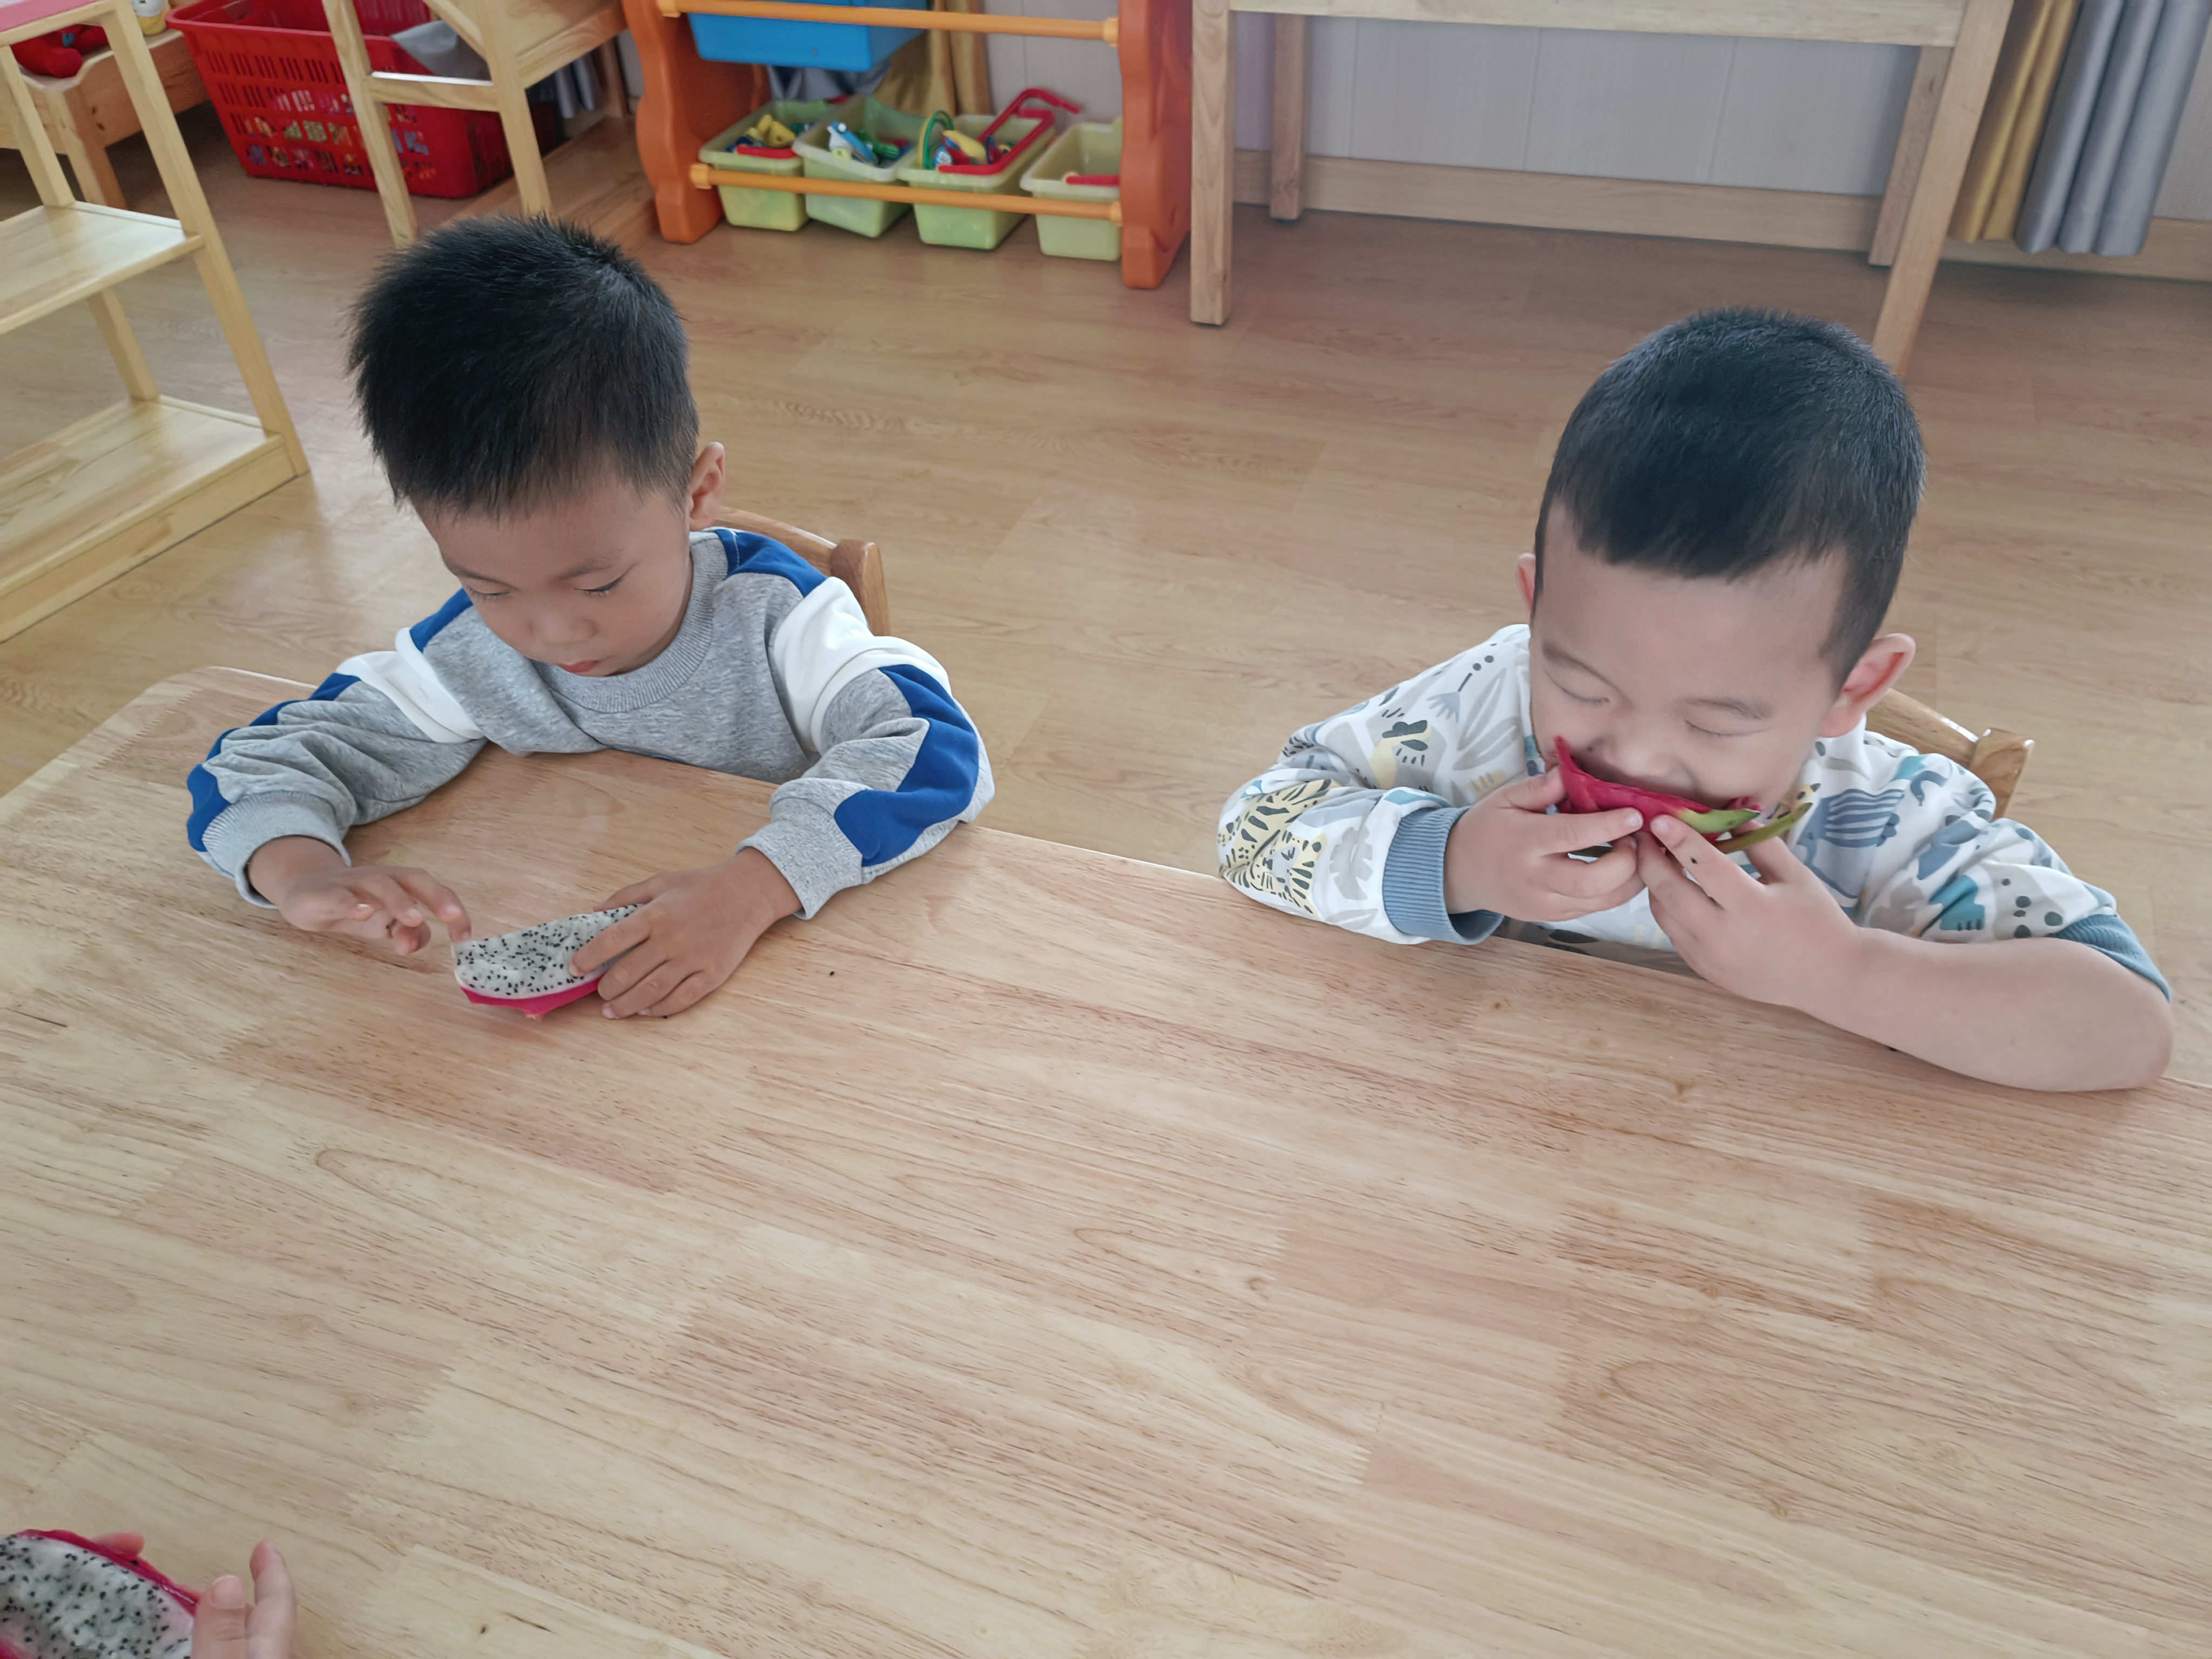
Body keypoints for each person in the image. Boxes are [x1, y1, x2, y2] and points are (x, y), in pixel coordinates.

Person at [1217, 308, 2170, 1091]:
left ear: (1852, 690)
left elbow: (2129, 1028)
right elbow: (1251, 831)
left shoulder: (1885, 819)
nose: (1635, 756)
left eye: (1716, 721)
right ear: (1536, 611)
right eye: (1581, 684)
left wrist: (1842, 972)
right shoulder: (1479, 710)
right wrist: (1454, 860)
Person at [186, 218, 990, 1019]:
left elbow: (937, 750)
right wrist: (299, 870)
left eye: (599, 584)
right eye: (489, 588)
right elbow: (261, 762)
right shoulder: (469, 654)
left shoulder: (783, 620)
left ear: (697, 493)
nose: (551, 634)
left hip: (814, 973)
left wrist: (754, 887)